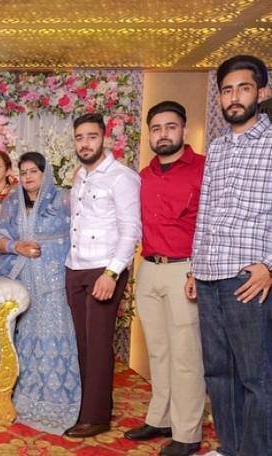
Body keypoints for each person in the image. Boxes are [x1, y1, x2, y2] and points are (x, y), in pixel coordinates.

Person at [191, 55, 272, 456]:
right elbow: (205, 210)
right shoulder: (218, 148)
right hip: (209, 275)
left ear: (263, 92)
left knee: (256, 376)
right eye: (227, 90)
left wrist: (269, 265)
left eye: (243, 88)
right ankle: (231, 448)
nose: (234, 97)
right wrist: (194, 267)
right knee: (219, 373)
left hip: (247, 277)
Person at [123, 101, 206, 456]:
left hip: (184, 270)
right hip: (149, 268)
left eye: (170, 127)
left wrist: (199, 270)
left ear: (183, 130)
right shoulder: (143, 176)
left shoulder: (204, 169)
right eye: (156, 129)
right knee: (158, 351)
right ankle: (161, 418)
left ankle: (187, 432)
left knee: (186, 355)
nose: (163, 134)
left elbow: (212, 224)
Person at [0, 152, 81, 434]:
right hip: (23, 281)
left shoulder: (63, 199)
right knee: (25, 338)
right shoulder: (13, 201)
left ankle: (60, 401)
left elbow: (82, 228)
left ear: (45, 173)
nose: (28, 177)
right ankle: (27, 398)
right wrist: (16, 246)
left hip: (55, 280)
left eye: (33, 172)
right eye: (24, 172)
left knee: (56, 336)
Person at [63, 113, 141, 438]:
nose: (85, 143)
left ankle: (95, 418)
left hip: (103, 270)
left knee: (97, 343)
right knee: (82, 343)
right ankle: (94, 406)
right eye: (79, 138)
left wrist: (112, 273)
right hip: (75, 267)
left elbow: (131, 230)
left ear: (104, 138)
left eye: (91, 137)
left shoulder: (122, 177)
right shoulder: (80, 176)